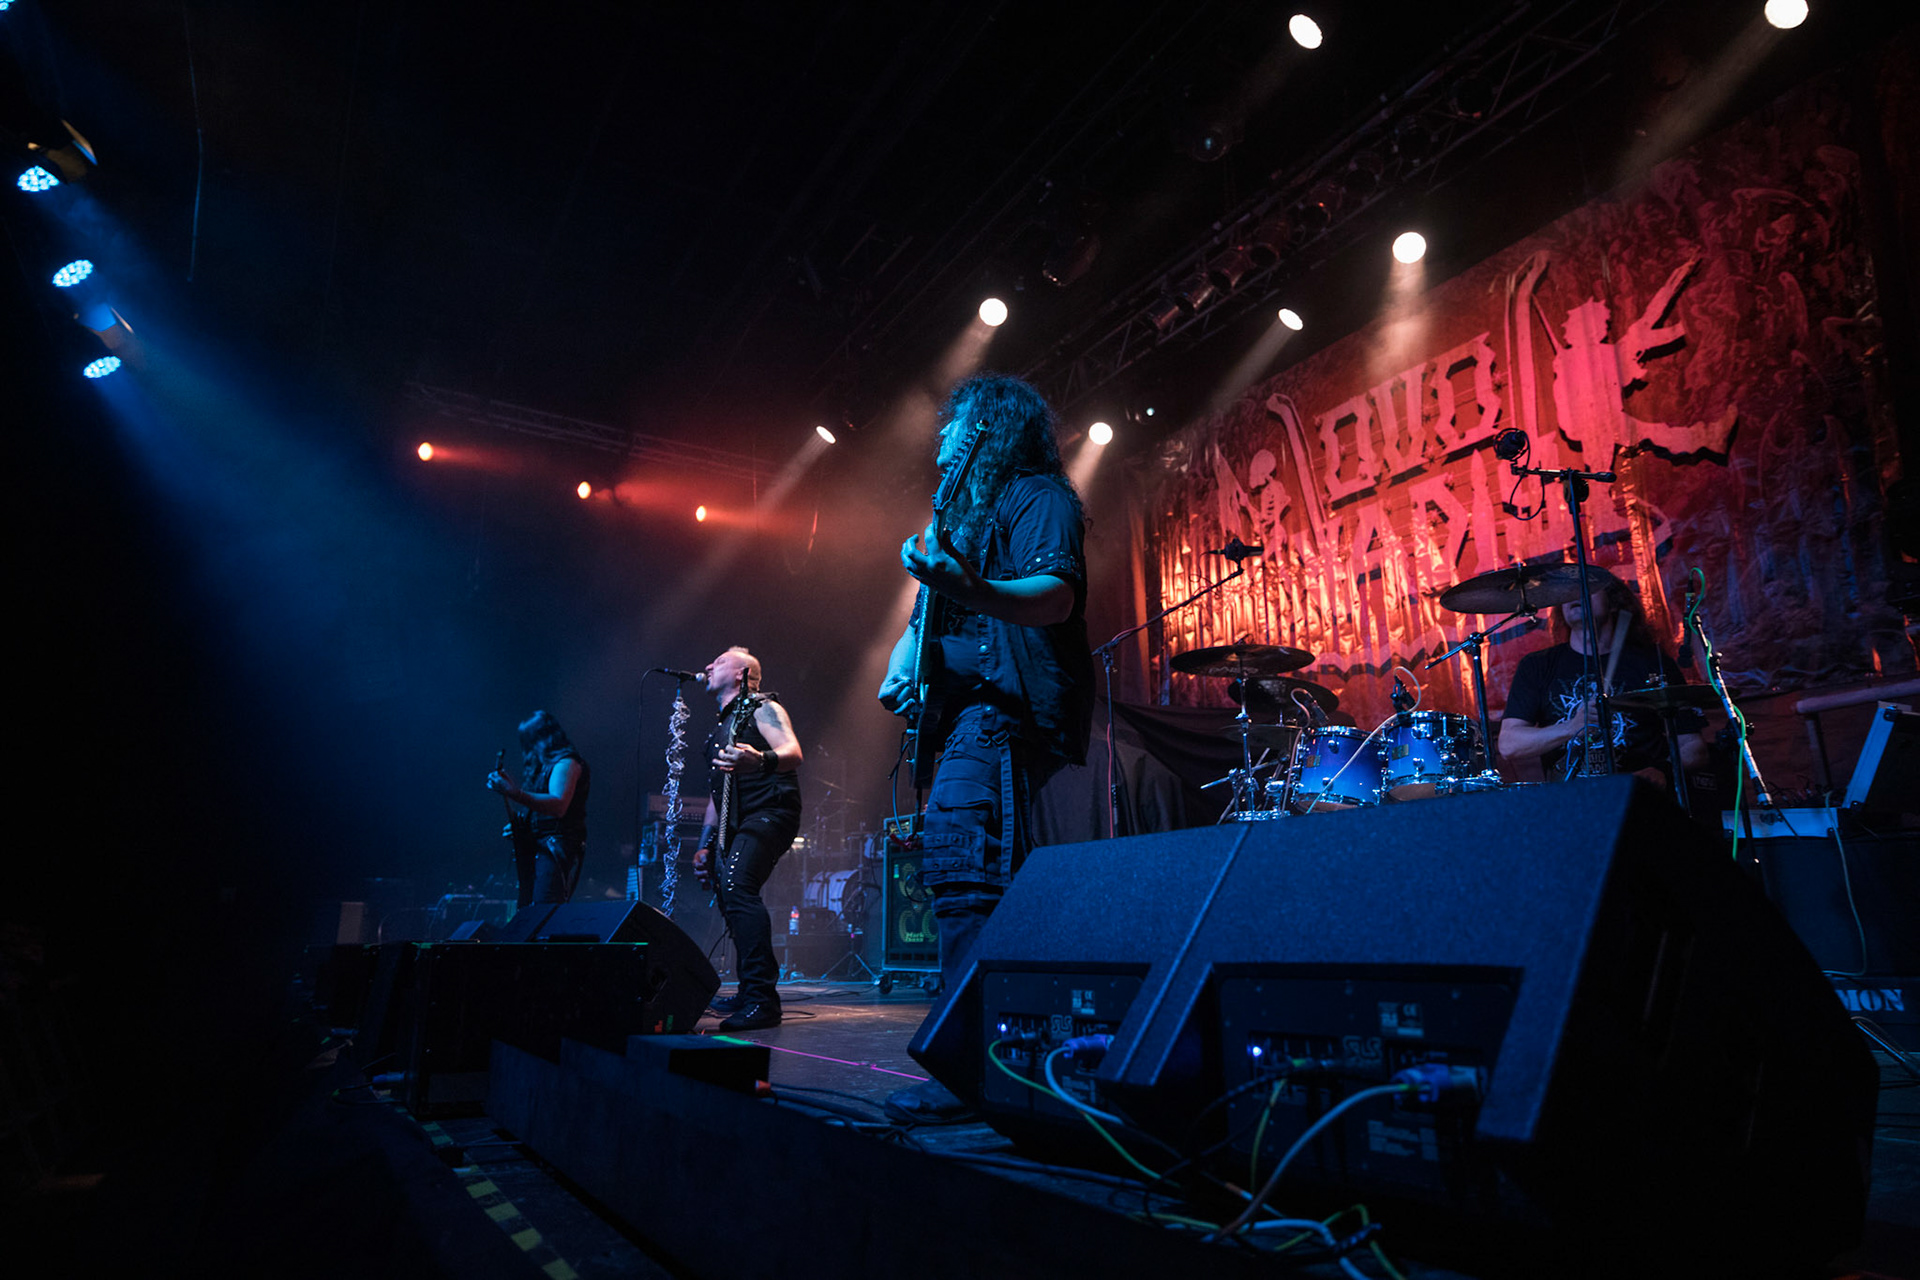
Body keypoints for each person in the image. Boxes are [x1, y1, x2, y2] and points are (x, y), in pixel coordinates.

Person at [878, 372, 1094, 1120]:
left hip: (1002, 718)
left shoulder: (1040, 497)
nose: (939, 439)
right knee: (966, 880)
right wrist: (904, 671)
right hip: (963, 718)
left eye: (953, 423)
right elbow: (921, 621)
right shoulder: (959, 524)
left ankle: (968, 1072)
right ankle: (996, 1065)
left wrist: (969, 592)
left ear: (987, 429)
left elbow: (1055, 595)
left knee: (967, 876)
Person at [1499, 572, 1709, 788]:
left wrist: (1662, 770)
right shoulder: (1537, 666)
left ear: (1614, 602)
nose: (1575, 596)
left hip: (1638, 797)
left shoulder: (1653, 662)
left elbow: (1693, 746)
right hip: (1572, 801)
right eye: (1568, 592)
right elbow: (1509, 745)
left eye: (1587, 588)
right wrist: (1571, 728)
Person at [694, 646, 803, 1032]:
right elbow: (715, 791)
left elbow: (793, 751)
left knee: (739, 887)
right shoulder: (721, 726)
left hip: (770, 811)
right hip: (736, 820)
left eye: (719, 660)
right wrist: (706, 843)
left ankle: (762, 999)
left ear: (741, 674)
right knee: (727, 891)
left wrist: (761, 759)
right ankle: (747, 989)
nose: (708, 665)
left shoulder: (762, 707)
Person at [487, 710, 591, 906]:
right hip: (540, 847)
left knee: (544, 909)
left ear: (545, 738)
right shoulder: (545, 767)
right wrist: (524, 827)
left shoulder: (566, 764)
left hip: (556, 847)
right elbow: (545, 811)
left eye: (531, 741)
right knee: (528, 909)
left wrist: (515, 793)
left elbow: (558, 805)